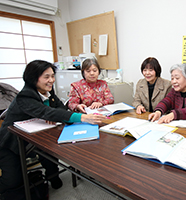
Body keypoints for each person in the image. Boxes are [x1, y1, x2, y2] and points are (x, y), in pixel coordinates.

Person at [0, 60, 107, 197]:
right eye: (46, 77)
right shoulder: (25, 96)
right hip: (11, 143)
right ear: (33, 78)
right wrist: (83, 117)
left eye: (52, 76)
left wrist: (51, 113)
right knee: (13, 182)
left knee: (50, 155)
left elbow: (60, 108)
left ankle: (53, 177)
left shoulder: (48, 91)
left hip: (38, 135)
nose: (51, 80)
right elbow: (49, 112)